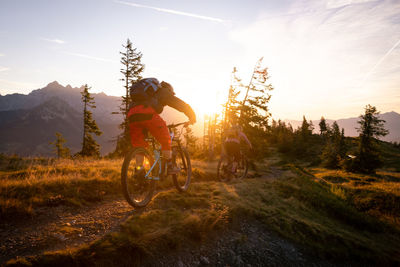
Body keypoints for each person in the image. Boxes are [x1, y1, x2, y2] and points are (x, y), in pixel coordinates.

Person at [128, 78, 196, 177]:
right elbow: (179, 104)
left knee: (139, 144)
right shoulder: (164, 91)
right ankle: (170, 166)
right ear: (169, 90)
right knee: (166, 139)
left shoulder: (148, 93)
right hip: (148, 113)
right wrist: (192, 116)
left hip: (132, 115)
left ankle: (139, 169)